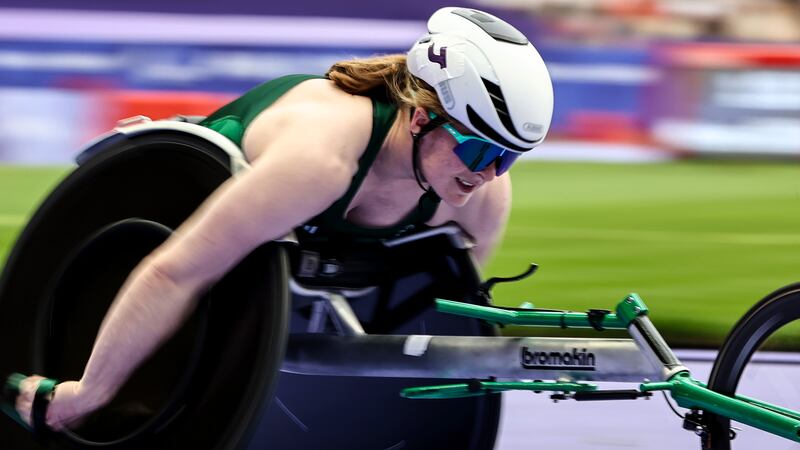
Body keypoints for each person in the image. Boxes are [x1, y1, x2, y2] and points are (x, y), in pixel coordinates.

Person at [12, 6, 553, 432]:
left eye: (508, 158)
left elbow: (422, 327)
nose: (489, 174)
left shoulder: (479, 198)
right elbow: (174, 272)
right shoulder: (319, 161)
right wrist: (86, 395)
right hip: (179, 200)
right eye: (480, 151)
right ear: (420, 119)